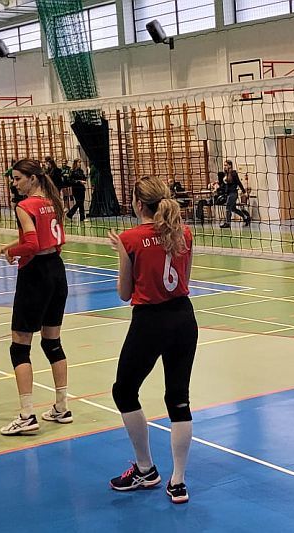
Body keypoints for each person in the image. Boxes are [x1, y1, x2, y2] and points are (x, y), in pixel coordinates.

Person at [107, 176, 198, 504]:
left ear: (137, 204)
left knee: (124, 391)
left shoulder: (130, 238)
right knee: (178, 398)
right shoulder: (184, 232)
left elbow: (124, 293)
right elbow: (184, 278)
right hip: (184, 318)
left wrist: (122, 253)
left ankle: (145, 469)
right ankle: (178, 482)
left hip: (149, 322)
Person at [0, 159, 72, 435]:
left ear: (32, 179)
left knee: (19, 347)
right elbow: (48, 238)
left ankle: (26, 416)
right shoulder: (53, 202)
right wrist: (6, 247)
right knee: (52, 342)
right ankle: (62, 407)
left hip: (35, 275)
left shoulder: (24, 206)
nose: (14, 184)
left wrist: (13, 253)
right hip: (56, 271)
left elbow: (32, 244)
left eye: (17, 179)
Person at [219, 160, 251, 228]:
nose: (225, 166)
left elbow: (239, 182)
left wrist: (244, 192)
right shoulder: (225, 174)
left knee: (228, 207)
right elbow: (224, 185)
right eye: (224, 165)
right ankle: (246, 217)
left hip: (233, 193)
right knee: (233, 209)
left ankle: (227, 223)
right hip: (228, 193)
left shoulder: (233, 173)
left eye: (226, 165)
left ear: (230, 166)